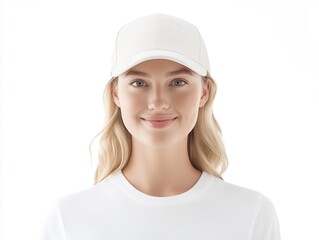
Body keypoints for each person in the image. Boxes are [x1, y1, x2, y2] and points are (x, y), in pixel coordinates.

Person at [42, 13, 281, 240]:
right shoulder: (68, 219)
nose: (158, 102)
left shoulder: (251, 214)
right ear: (116, 93)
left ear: (204, 92)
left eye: (178, 82)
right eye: (139, 83)